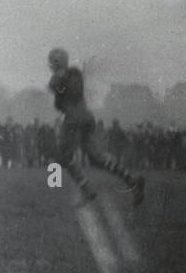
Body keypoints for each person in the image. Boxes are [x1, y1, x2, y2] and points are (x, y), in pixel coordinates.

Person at [46, 47, 145, 205]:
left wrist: (58, 81)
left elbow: (66, 94)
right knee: (96, 158)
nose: (50, 64)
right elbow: (61, 100)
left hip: (74, 119)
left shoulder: (69, 75)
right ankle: (131, 180)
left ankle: (87, 191)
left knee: (64, 156)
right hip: (86, 118)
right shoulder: (73, 74)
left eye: (52, 61)